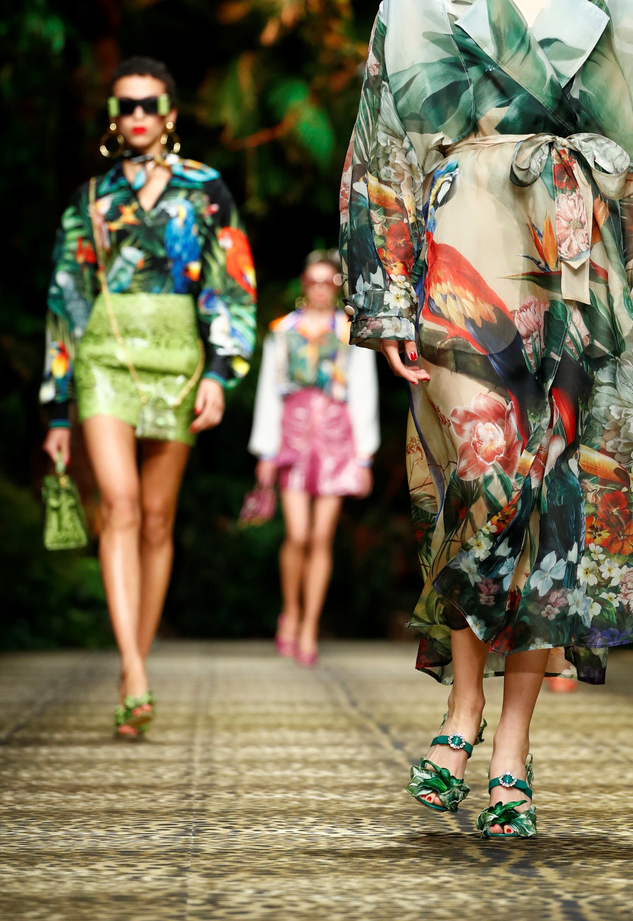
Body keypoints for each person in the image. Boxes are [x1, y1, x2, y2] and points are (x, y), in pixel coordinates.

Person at [340, 0, 633, 838]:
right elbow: (381, 145)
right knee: (481, 481)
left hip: (577, 263)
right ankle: (461, 705)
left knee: (552, 502)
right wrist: (386, 298)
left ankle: (510, 755)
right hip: (460, 251)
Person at [41, 56, 256, 737]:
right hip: (105, 356)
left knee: (158, 519)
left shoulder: (206, 190)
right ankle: (133, 670)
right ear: (114, 117)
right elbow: (66, 299)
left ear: (169, 114)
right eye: (124, 105)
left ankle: (136, 663)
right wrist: (56, 408)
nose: (136, 116)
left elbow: (232, 284)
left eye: (148, 104)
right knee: (121, 504)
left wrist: (220, 373)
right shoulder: (92, 199)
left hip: (177, 359)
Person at [249, 250, 379, 666]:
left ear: (337, 286)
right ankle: (290, 611)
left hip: (337, 438)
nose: (321, 289)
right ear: (305, 285)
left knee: (321, 537)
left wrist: (364, 456)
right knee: (298, 534)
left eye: (329, 281)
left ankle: (309, 626)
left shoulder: (350, 333)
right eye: (314, 281)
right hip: (293, 435)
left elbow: (363, 390)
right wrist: (266, 450)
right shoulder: (282, 332)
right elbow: (269, 392)